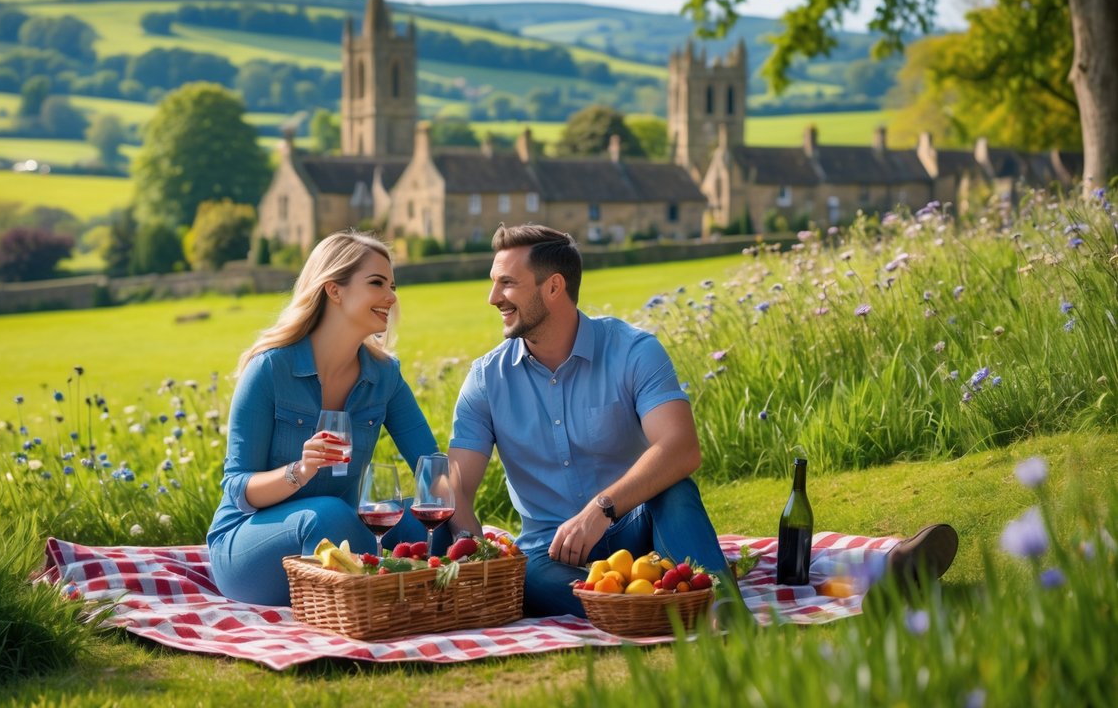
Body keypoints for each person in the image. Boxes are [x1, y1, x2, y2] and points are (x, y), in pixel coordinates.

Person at [446, 224, 958, 619]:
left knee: (673, 489)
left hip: (636, 530)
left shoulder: (633, 351)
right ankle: (703, 605)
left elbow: (680, 448)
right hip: (548, 554)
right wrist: (484, 558)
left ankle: (714, 602)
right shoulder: (487, 379)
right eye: (495, 283)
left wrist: (601, 509)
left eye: (507, 283)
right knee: (530, 579)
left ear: (553, 287)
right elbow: (457, 492)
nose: (494, 298)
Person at [208, 231, 439, 606]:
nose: (391, 297)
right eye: (377, 283)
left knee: (428, 522)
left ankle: (402, 600)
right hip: (250, 544)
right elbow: (238, 487)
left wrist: (460, 525)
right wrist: (300, 470)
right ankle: (374, 605)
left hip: (346, 530)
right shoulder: (270, 369)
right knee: (329, 515)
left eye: (392, 285)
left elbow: (431, 465)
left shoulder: (384, 375)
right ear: (335, 290)